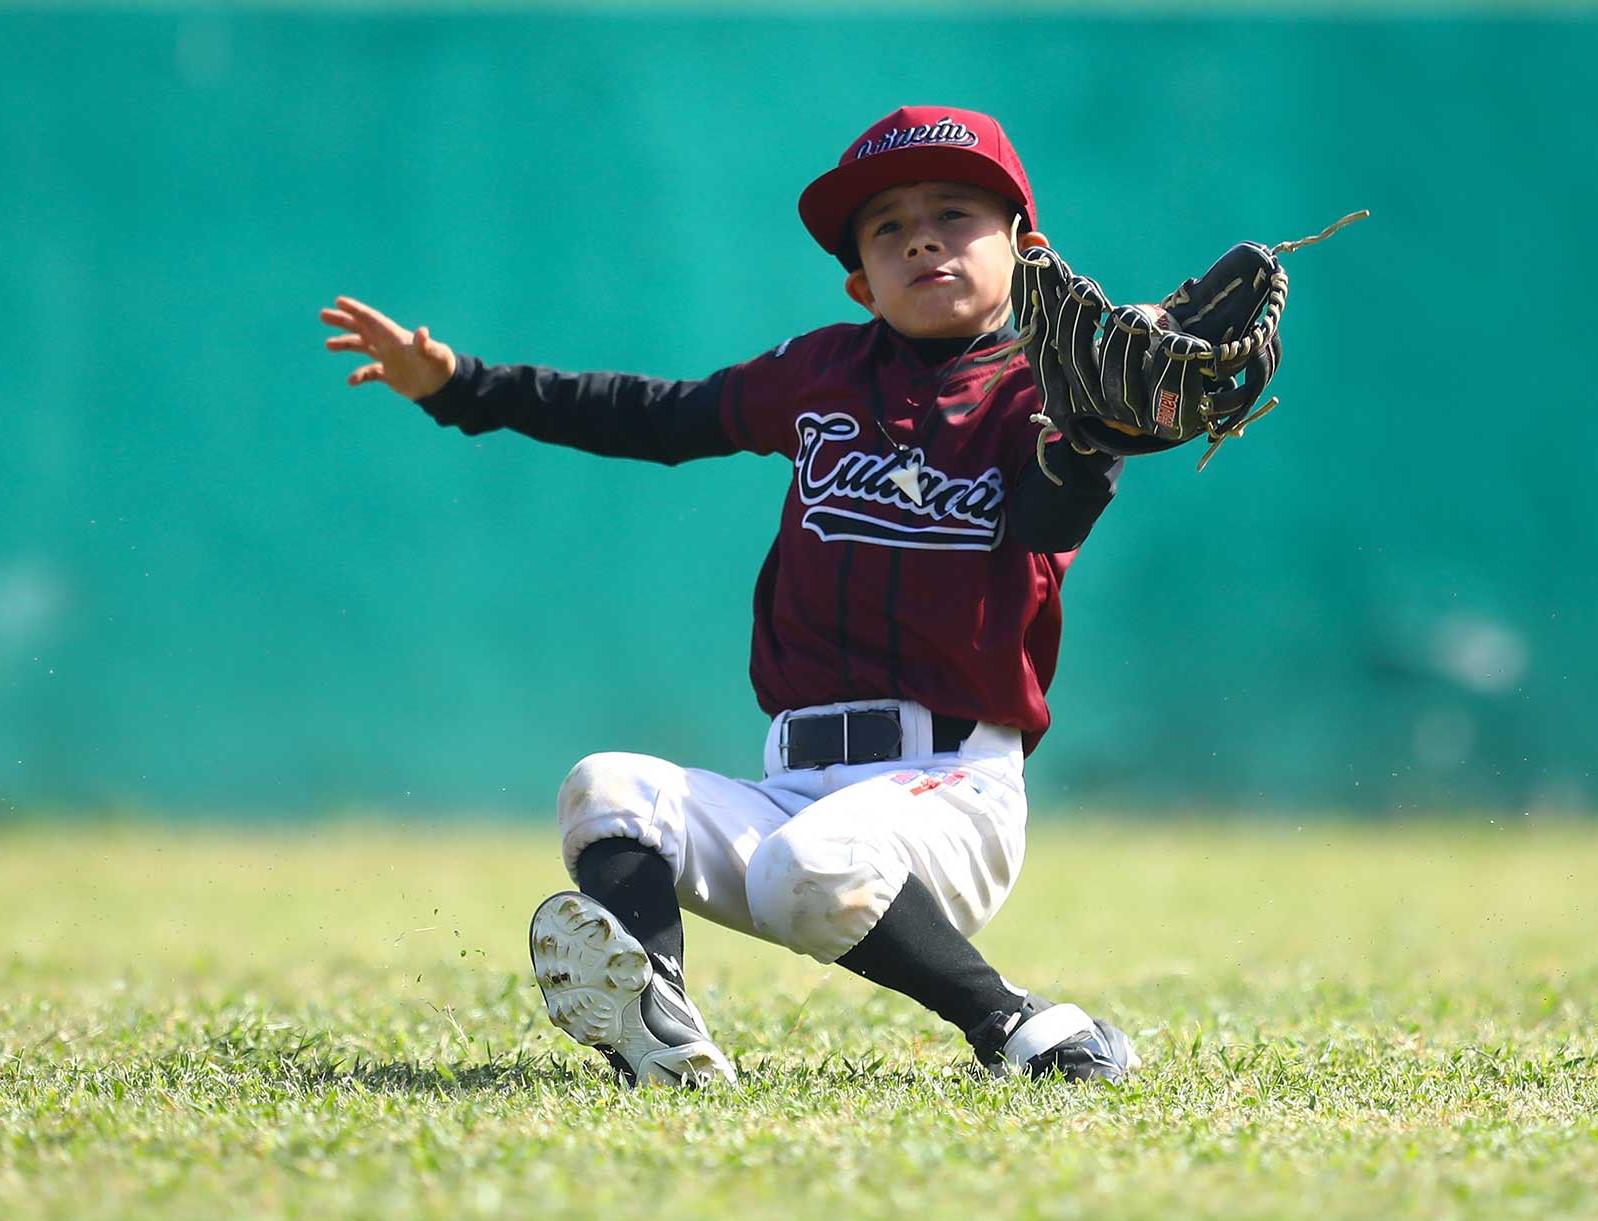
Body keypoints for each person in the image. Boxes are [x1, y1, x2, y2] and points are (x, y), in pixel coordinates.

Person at [320, 105, 1140, 1088]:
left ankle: (1020, 1027)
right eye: (886, 228)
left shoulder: (1041, 396)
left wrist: (1089, 444)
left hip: (948, 796)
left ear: (1026, 251)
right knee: (606, 789)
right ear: (859, 283)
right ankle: (657, 1023)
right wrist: (462, 385)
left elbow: (1050, 519)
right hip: (796, 786)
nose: (920, 235)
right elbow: (659, 417)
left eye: (954, 211)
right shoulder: (821, 373)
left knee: (809, 866)